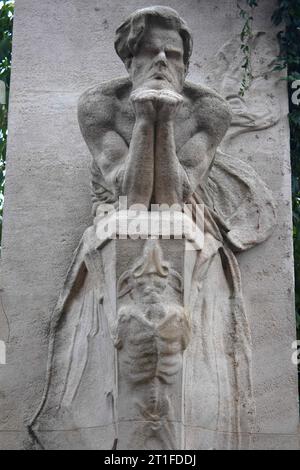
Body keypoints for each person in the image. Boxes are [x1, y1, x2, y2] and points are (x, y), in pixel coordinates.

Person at [29, 7, 276, 450]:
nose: (162, 61)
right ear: (130, 61)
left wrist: (162, 119)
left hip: (182, 218)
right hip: (119, 216)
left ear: (185, 62)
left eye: (173, 54)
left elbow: (175, 195)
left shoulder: (208, 110)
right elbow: (129, 192)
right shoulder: (99, 105)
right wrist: (147, 118)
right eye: (148, 52)